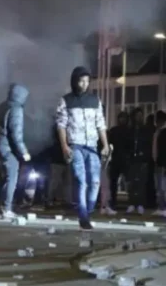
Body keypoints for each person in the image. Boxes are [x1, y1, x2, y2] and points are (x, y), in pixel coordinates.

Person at [55, 66, 110, 230]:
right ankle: (83, 217)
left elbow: (101, 123)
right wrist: (64, 146)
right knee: (81, 180)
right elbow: (61, 125)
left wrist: (105, 144)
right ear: (75, 81)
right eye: (81, 81)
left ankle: (88, 209)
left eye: (87, 81)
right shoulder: (66, 101)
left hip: (92, 146)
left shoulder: (94, 100)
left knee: (95, 181)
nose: (84, 84)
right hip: (75, 146)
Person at [0, 83, 31, 218]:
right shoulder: (16, 109)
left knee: (7, 176)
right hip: (8, 148)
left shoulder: (3, 105)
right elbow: (16, 134)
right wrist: (23, 151)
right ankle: (7, 208)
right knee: (12, 177)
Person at [125, 108, 151, 214]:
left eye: (141, 115)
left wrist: (145, 156)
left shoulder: (146, 130)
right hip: (131, 159)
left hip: (142, 159)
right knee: (132, 182)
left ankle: (140, 204)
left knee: (141, 183)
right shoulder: (130, 130)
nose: (139, 118)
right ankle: (131, 203)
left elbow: (148, 145)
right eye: (137, 115)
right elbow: (126, 145)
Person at [106, 111, 130, 213]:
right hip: (116, 159)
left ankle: (130, 202)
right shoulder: (114, 130)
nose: (122, 120)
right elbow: (110, 144)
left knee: (128, 182)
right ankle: (113, 201)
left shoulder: (129, 130)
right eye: (121, 117)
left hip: (125, 159)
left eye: (124, 118)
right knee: (113, 182)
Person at [151, 111, 166, 216]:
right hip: (157, 162)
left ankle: (163, 207)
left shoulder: (164, 132)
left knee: (163, 186)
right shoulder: (156, 132)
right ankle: (160, 206)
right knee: (159, 186)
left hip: (162, 163)